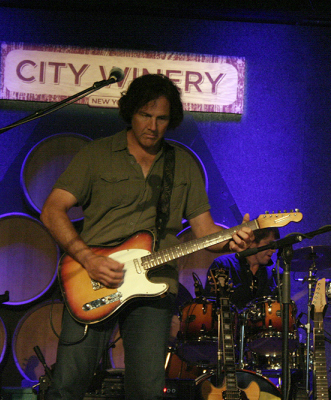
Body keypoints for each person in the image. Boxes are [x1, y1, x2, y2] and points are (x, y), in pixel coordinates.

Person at [40, 73, 254, 400]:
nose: (152, 126)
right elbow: (53, 210)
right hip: (92, 278)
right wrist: (88, 259)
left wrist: (234, 240)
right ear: (130, 113)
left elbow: (206, 233)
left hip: (156, 287)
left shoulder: (182, 164)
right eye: (145, 115)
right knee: (67, 385)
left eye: (161, 118)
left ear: (171, 120)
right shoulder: (96, 155)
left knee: (148, 392)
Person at [204, 227, 280, 309]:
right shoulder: (223, 264)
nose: (273, 250)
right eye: (269, 244)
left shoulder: (276, 273)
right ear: (253, 242)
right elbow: (210, 305)